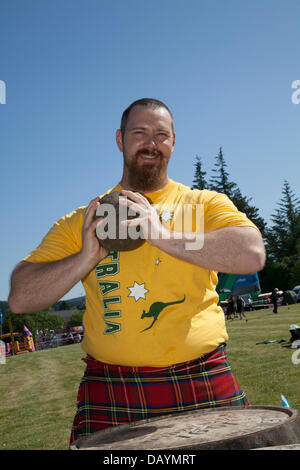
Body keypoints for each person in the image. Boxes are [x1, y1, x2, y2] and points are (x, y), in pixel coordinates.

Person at [8, 98, 266, 446]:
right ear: (120, 140)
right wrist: (86, 257)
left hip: (200, 374)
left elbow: (250, 253)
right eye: (139, 133)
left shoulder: (202, 205)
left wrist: (160, 235)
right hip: (112, 385)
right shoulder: (85, 219)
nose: (151, 143)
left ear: (174, 141)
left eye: (161, 134)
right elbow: (21, 297)